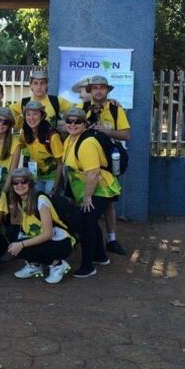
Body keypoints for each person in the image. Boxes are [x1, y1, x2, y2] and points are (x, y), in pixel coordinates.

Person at [62, 107, 120, 277]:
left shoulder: (87, 143)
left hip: (101, 189)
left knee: (86, 221)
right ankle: (100, 256)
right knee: (90, 221)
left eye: (77, 121)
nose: (73, 124)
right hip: (90, 189)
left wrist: (87, 197)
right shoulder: (71, 140)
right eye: (69, 121)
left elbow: (93, 173)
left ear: (85, 123)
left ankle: (88, 266)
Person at [84, 75, 131, 255]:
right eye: (95, 87)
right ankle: (88, 236)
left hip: (110, 162)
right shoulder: (83, 108)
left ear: (107, 90)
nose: (98, 90)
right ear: (90, 91)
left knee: (109, 201)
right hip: (88, 161)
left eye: (102, 87)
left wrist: (107, 131)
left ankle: (112, 239)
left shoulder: (115, 109)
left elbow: (126, 135)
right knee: (85, 197)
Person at [6, 168, 74, 284]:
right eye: (15, 183)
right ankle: (35, 265)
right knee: (11, 233)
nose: (20, 185)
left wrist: (21, 243)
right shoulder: (20, 200)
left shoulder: (41, 200)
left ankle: (57, 264)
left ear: (30, 183)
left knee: (20, 246)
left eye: (24, 182)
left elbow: (48, 234)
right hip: (40, 237)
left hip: (60, 241)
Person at [21, 100, 63, 194]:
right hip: (35, 175)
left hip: (52, 177)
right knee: (36, 201)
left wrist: (55, 188)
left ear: (42, 116)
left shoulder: (52, 136)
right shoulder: (25, 133)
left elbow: (60, 164)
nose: (31, 118)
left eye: (35, 114)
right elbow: (24, 151)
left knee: (48, 202)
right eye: (28, 114)